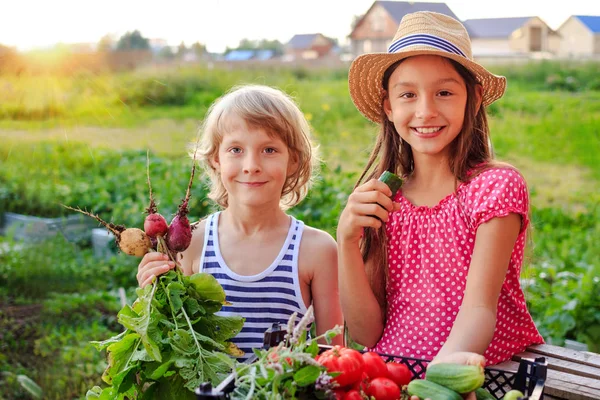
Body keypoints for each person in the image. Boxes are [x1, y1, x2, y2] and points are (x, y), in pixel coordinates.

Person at [337, 11, 544, 370]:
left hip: (476, 374)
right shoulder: (386, 201)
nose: (425, 111)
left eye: (444, 92)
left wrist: (436, 383)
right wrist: (346, 241)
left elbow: (479, 309)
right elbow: (366, 333)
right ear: (389, 106)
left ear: (474, 99)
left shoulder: (493, 189)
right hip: (392, 376)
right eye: (408, 95)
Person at [137, 84, 343, 360]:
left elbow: (334, 354)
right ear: (215, 159)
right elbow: (175, 341)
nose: (251, 165)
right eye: (236, 149)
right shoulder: (193, 243)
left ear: (293, 161)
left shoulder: (316, 249)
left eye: (269, 150)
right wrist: (152, 294)